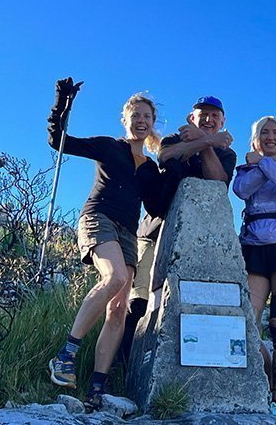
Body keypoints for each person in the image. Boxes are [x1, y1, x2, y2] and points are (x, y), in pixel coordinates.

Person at [46, 78, 169, 410]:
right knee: (113, 278)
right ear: (125, 119)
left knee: (118, 308)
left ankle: (96, 388)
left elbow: (157, 206)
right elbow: (59, 141)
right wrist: (62, 102)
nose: (141, 121)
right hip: (97, 218)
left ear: (153, 124)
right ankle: (66, 355)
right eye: (136, 115)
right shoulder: (107, 146)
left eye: (147, 117)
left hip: (128, 232)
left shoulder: (149, 167)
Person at [118, 96, 236, 363]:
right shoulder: (175, 138)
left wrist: (206, 145)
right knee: (141, 299)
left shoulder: (226, 153)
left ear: (222, 121)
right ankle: (123, 366)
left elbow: (218, 181)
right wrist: (207, 141)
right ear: (190, 118)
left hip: (197, 241)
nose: (208, 119)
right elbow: (165, 155)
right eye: (202, 114)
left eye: (214, 116)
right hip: (154, 231)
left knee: (184, 303)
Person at [232, 116, 276, 417]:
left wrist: (264, 161)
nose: (270, 136)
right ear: (255, 140)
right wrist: (269, 162)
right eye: (264, 133)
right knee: (249, 324)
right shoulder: (245, 170)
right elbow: (241, 191)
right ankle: (267, 377)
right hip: (253, 250)